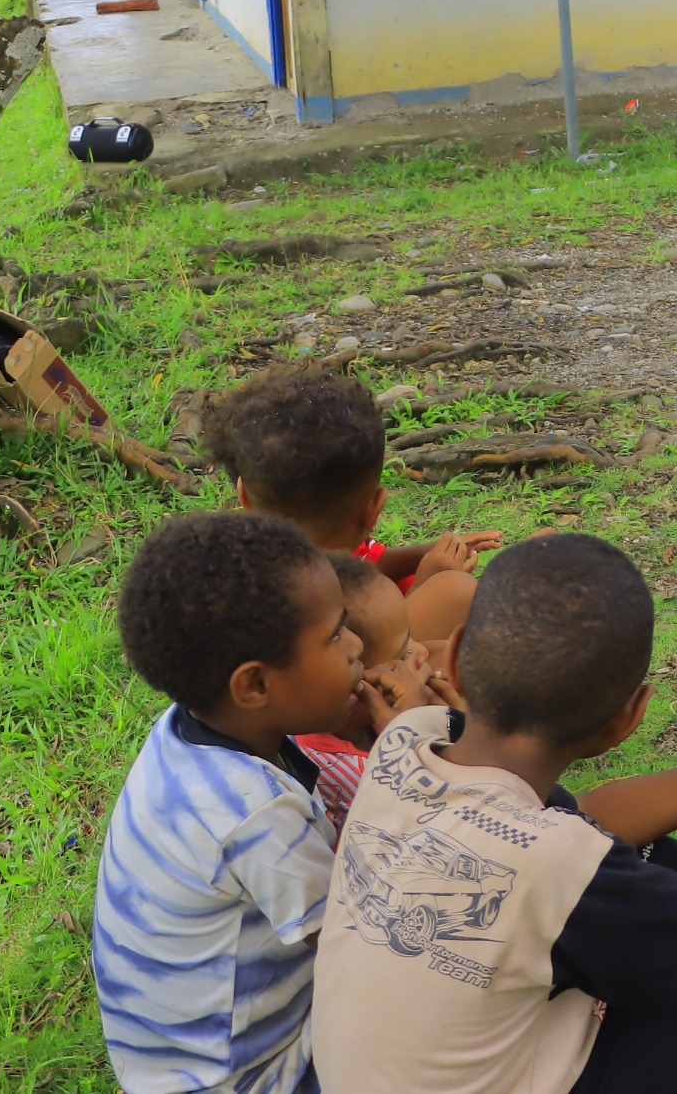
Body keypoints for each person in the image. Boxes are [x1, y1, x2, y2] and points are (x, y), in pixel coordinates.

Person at [312, 534, 677, 1094]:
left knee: (660, 864)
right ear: (629, 718)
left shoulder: (407, 741)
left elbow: (588, 822)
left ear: (460, 656)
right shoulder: (554, 861)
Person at [92, 511, 437, 1092]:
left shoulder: (186, 734)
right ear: (254, 686)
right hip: (257, 1077)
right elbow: (377, 944)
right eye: (334, 635)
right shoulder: (254, 813)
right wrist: (417, 758)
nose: (357, 646)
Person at [205, 364, 497, 643]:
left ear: (243, 496)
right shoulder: (294, 601)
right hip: (367, 677)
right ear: (374, 509)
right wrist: (429, 581)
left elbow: (368, 561)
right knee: (454, 592)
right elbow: (380, 653)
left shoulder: (246, 565)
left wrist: (426, 554)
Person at [294, 554, 464, 836]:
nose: (421, 651)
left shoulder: (359, 719)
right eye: (404, 654)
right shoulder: (344, 776)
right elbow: (446, 822)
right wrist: (446, 736)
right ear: (356, 684)